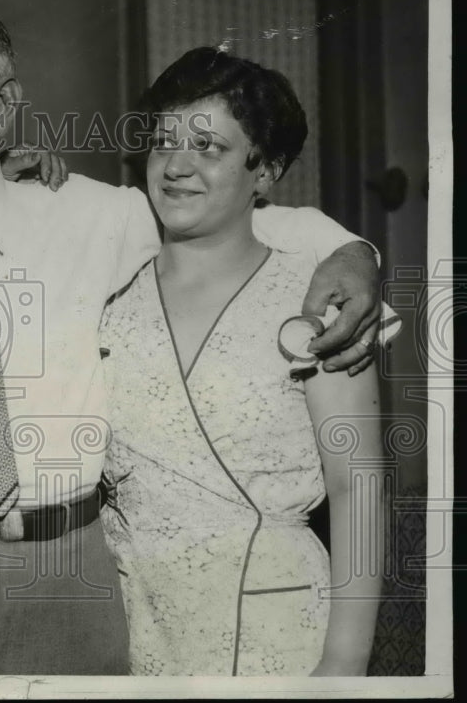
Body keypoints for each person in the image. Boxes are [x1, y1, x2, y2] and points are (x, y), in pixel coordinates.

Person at [0, 0, 383, 675]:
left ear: (2, 110)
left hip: (76, 584)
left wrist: (355, 251)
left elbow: (239, 219)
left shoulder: (95, 216)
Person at [99, 47, 384, 676]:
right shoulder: (107, 295)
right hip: (130, 627)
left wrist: (343, 669)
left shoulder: (320, 303)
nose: (176, 165)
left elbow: (356, 488)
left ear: (266, 171)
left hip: (278, 634)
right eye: (165, 140)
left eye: (210, 148)